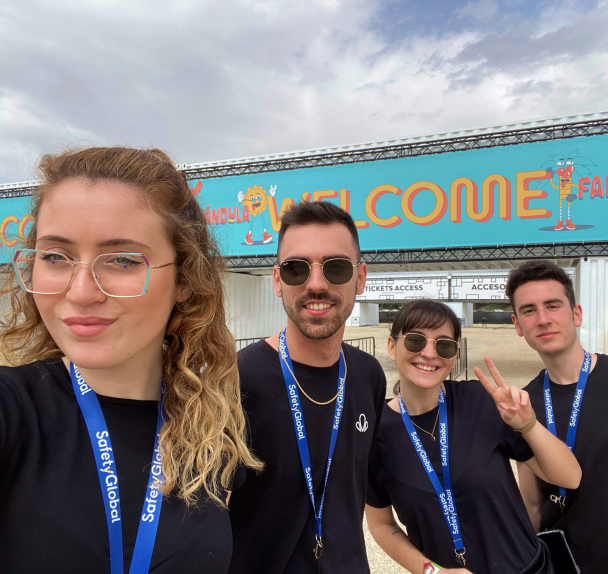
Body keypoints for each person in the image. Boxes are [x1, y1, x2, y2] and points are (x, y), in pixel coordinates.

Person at [0, 147, 262, 573]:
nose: (80, 292)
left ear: (184, 278)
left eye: (122, 260)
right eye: (55, 256)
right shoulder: (12, 410)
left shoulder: (213, 427)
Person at [228, 201, 387, 573]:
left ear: (360, 277)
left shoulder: (368, 375)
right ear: (277, 280)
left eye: (336, 267)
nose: (316, 284)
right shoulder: (235, 378)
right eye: (296, 268)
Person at [366, 300, 581, 574]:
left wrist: (528, 425)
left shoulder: (480, 401)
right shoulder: (375, 433)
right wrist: (431, 571)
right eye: (415, 340)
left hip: (529, 567)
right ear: (392, 347)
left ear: (455, 355)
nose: (429, 353)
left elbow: (569, 477)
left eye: (444, 345)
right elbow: (382, 524)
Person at [506, 260, 608, 573]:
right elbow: (533, 503)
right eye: (529, 310)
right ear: (518, 325)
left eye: (552, 305)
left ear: (576, 314)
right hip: (562, 562)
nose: (543, 319)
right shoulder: (523, 405)